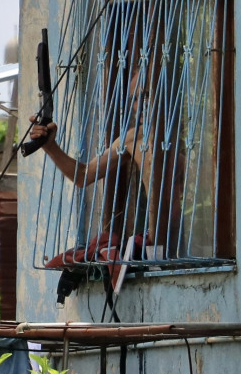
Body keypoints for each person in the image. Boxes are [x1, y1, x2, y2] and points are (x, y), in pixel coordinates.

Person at [28, 71, 183, 261]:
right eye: (134, 100)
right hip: (160, 238)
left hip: (195, 233)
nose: (139, 105)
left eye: (145, 96)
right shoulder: (134, 138)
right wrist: (50, 146)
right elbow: (83, 176)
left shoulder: (193, 133)